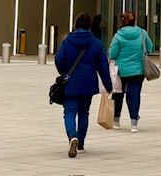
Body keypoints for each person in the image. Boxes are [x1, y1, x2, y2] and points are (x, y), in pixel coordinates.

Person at [55, 13, 112, 158]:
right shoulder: (96, 43)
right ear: (89, 26)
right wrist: (108, 86)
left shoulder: (67, 41)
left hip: (71, 83)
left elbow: (59, 60)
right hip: (88, 83)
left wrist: (64, 72)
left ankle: (72, 136)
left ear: (75, 25)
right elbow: (103, 67)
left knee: (69, 112)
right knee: (84, 113)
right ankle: (80, 144)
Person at [108, 11, 153, 133]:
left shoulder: (118, 35)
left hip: (120, 70)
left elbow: (112, 54)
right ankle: (134, 123)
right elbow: (150, 48)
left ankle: (116, 121)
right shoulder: (142, 33)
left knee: (118, 94)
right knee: (134, 95)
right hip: (138, 70)